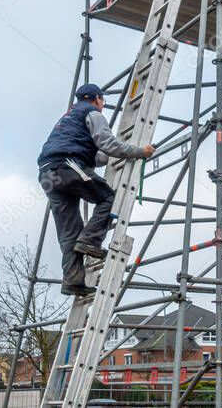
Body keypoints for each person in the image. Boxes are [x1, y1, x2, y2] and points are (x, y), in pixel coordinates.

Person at [37, 83, 154, 296]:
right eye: (103, 100)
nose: (104, 104)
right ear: (96, 99)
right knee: (109, 198)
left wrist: (116, 154)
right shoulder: (92, 113)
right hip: (66, 166)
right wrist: (138, 151)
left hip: (49, 174)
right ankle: (90, 241)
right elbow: (108, 145)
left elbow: (97, 155)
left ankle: (73, 281)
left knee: (69, 231)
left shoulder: (68, 117)